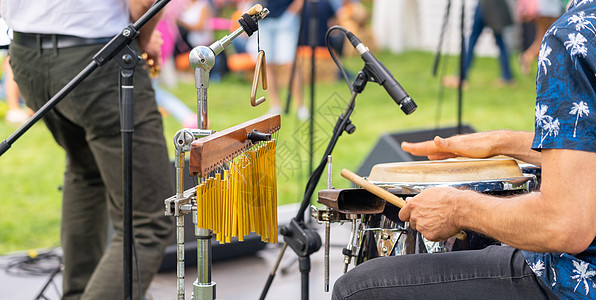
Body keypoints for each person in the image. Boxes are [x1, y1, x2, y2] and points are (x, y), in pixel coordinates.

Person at [332, 1, 595, 299]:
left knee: (357, 289)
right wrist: (503, 142)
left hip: (574, 281)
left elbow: (565, 224)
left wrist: (458, 208)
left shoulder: (574, 35)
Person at [1, 0, 174, 299]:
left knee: (85, 172)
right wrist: (142, 40)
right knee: (148, 221)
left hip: (27, 56)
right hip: (97, 59)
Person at [252, 0, 308, 120]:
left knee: (290, 63)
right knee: (267, 63)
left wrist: (291, 13)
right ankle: (275, 105)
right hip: (264, 19)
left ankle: (300, 106)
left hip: (285, 16)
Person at [443, 0, 515, 88]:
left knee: (473, 39)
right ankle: (507, 77)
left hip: (487, 5)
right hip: (493, 5)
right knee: (499, 41)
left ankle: (461, 77)